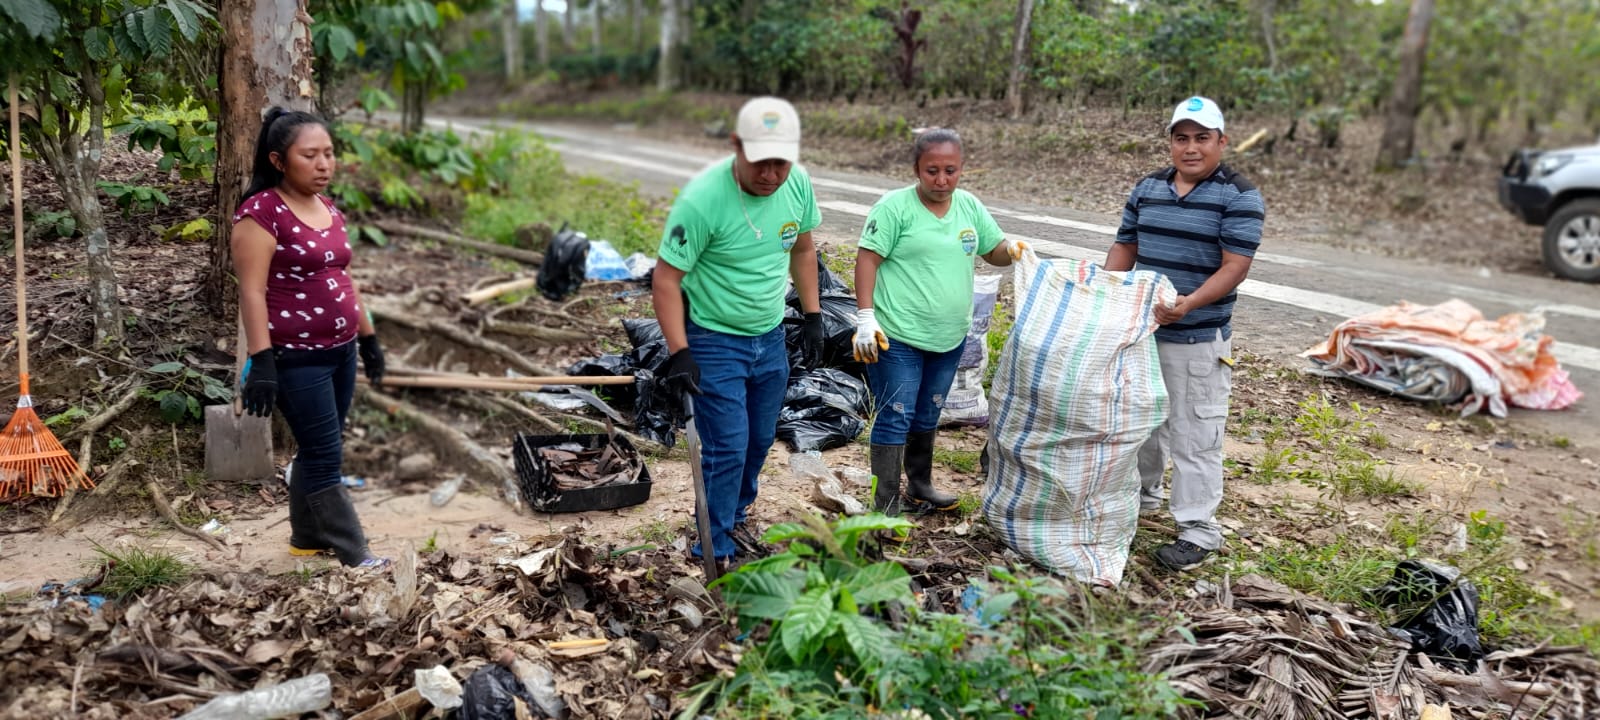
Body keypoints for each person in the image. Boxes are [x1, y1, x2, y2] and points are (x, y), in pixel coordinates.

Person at [652, 96, 824, 565]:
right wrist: (679, 352)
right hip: (714, 339)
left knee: (760, 437)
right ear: (735, 146)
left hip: (769, 335)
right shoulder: (703, 200)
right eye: (759, 162)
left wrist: (812, 315)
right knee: (727, 446)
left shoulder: (798, 184)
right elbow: (666, 278)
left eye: (780, 163)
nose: (770, 174)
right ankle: (714, 542)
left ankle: (738, 508)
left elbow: (804, 250)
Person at [1104, 96, 1266, 572]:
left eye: (1201, 138)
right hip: (1144, 333)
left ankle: (1198, 529)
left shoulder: (1239, 196)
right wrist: (1106, 295)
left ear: (1221, 142)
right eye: (1182, 138)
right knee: (1142, 424)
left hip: (1197, 337)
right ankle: (1144, 498)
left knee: (1195, 436)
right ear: (1171, 142)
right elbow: (1125, 244)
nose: (1190, 148)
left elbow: (1235, 266)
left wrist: (1190, 303)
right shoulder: (1149, 186)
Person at [233, 107, 389, 569]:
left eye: (329, 154)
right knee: (324, 454)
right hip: (296, 357)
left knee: (318, 446)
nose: (324, 164)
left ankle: (305, 537)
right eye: (310, 156)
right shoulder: (260, 214)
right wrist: (262, 360)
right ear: (279, 161)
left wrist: (369, 338)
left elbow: (344, 277)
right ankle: (353, 551)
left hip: (340, 351)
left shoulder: (327, 207)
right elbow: (251, 290)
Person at [853, 129, 1026, 515]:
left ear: (963, 169)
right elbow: (867, 259)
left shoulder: (968, 207)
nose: (942, 180)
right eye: (932, 170)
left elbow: (991, 250)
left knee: (928, 412)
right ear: (917, 168)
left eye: (951, 170)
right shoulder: (894, 208)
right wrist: (866, 317)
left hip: (948, 338)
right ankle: (884, 507)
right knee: (896, 415)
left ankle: (920, 484)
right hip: (897, 335)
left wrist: (1011, 249)